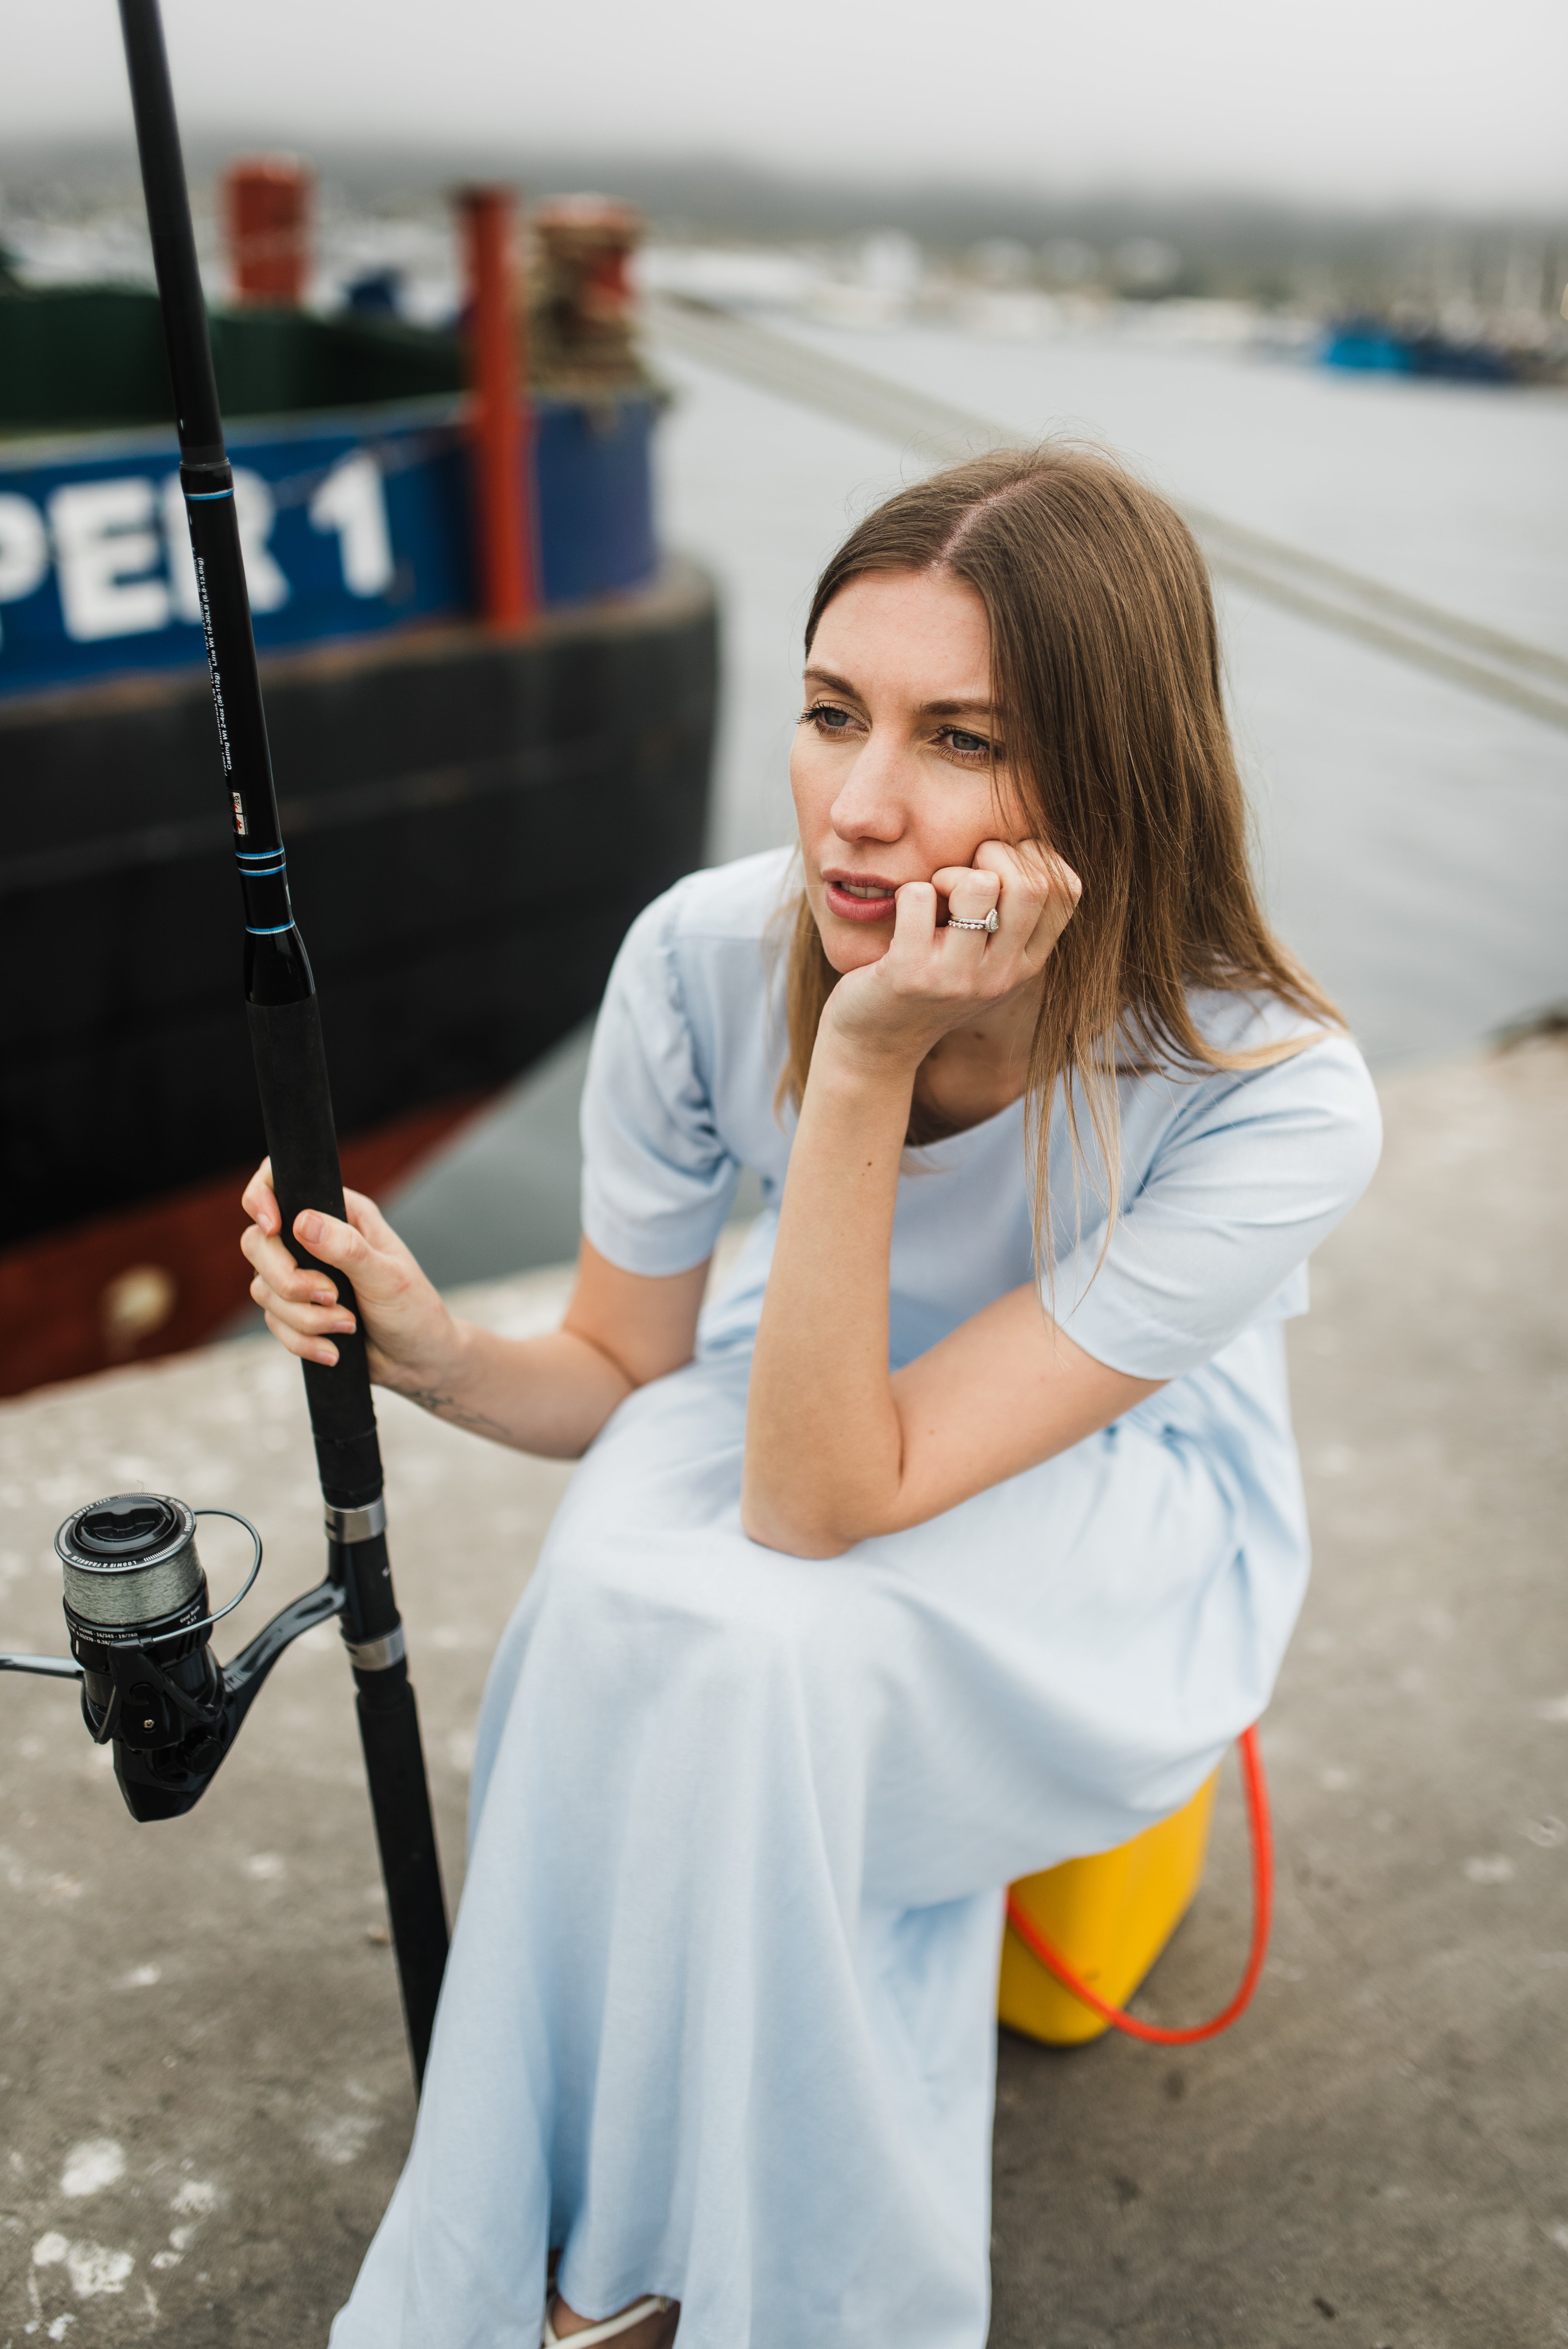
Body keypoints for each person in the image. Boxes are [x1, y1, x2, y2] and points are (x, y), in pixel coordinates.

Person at [242, 446, 1381, 2349]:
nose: (856, 809)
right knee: (611, 1598)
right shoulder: (697, 954)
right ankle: (598, 2242)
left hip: (1106, 1473)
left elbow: (823, 1512)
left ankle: (787, 2294)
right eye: (830, 712)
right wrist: (429, 1348)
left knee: (773, 1651)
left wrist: (863, 1061)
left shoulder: (1269, 1090)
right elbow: (617, 1363)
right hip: (801, 1384)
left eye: (959, 738)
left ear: (1105, 778)